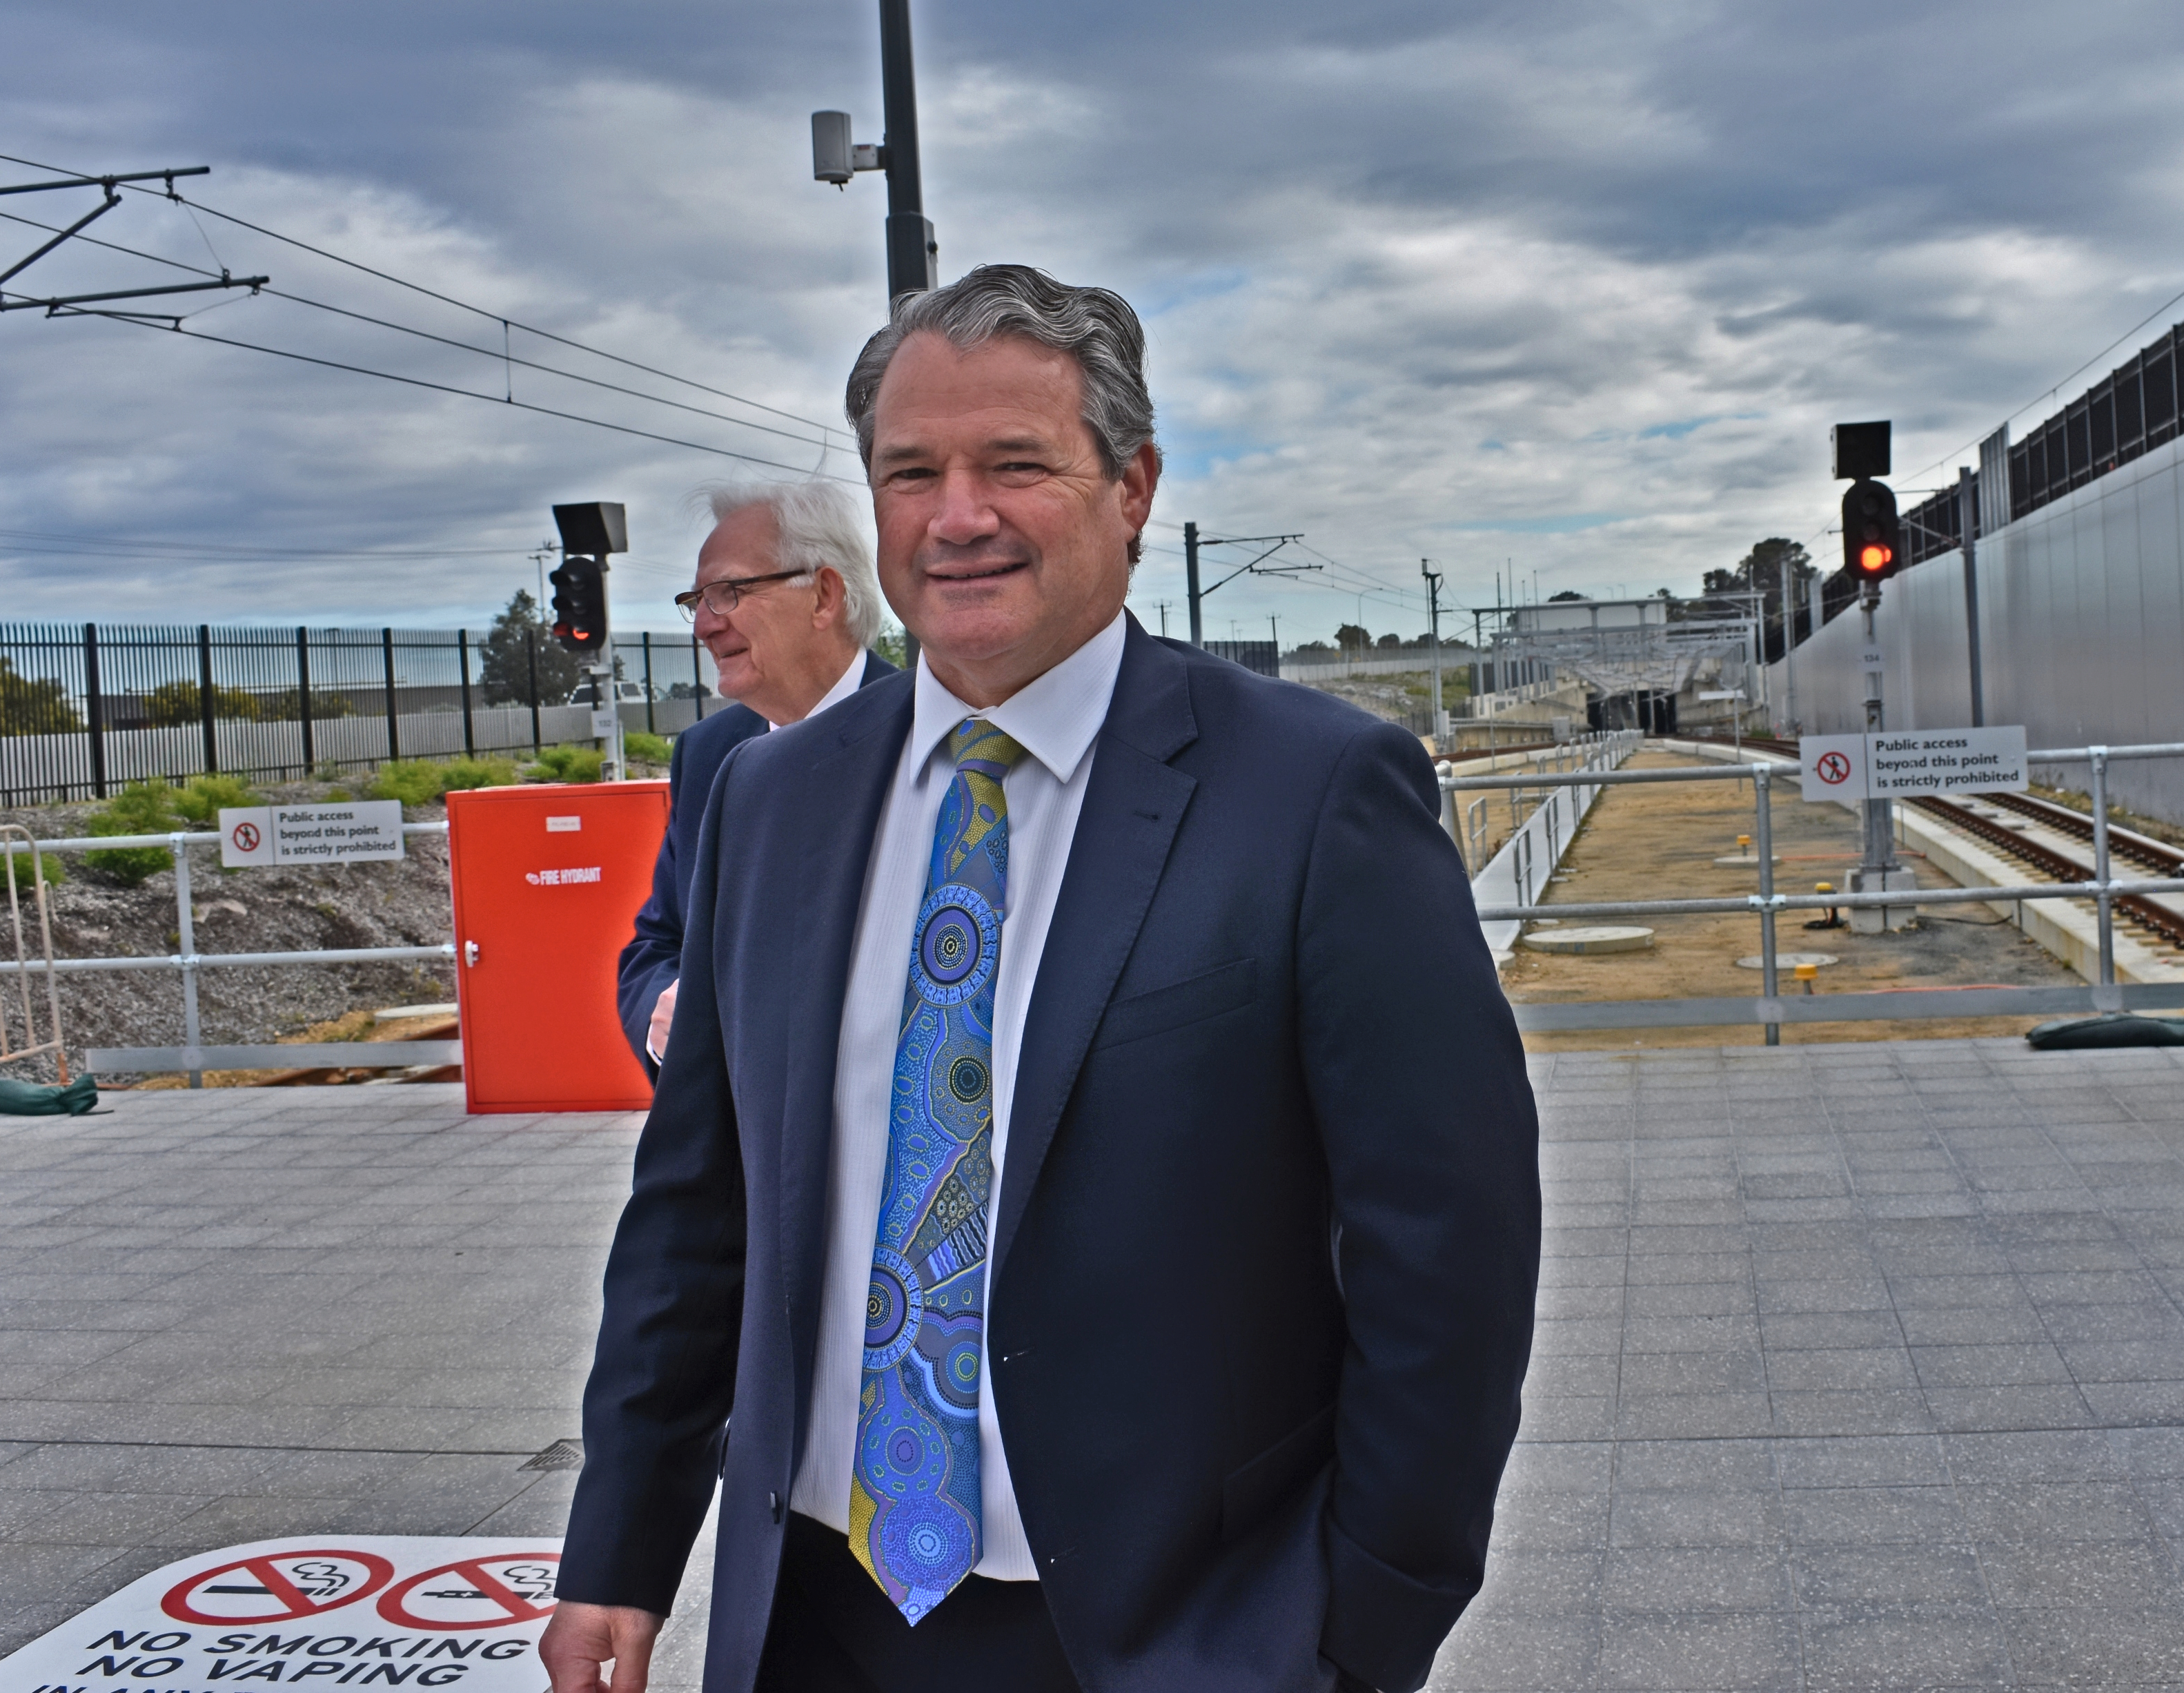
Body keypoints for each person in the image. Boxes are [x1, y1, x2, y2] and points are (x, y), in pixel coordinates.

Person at [547, 265, 1539, 1693]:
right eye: (913, 472)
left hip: (1179, 1631)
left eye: (1015, 463)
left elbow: (1445, 1249)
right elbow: (698, 1204)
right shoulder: (769, 803)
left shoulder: (1313, 794)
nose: (959, 515)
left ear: (1130, 487)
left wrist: (1362, 1630)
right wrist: (620, 1552)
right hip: (818, 1618)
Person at [617, 480, 895, 1070]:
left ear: (823, 595)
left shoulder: (938, 732)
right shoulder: (706, 753)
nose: (703, 627)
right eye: (697, 601)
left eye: (729, 592)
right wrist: (662, 1018)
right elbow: (657, 944)